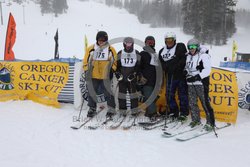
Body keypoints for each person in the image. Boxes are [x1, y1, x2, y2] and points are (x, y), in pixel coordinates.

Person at [83, 31, 117, 118]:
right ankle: (92, 108)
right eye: (99, 40)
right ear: (97, 40)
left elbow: (116, 62)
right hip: (93, 75)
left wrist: (112, 70)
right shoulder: (91, 49)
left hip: (105, 75)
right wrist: (87, 70)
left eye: (103, 40)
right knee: (91, 90)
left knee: (108, 92)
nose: (101, 42)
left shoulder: (110, 49)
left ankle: (111, 108)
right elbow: (85, 61)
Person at [184, 38, 215, 131]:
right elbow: (186, 67)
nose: (191, 49)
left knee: (205, 102)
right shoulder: (188, 56)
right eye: (189, 47)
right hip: (190, 83)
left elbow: (207, 70)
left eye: (193, 47)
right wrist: (185, 72)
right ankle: (196, 120)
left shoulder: (204, 56)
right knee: (192, 102)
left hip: (201, 83)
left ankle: (210, 123)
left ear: (197, 47)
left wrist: (197, 77)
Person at [159, 32, 189, 121]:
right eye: (167, 40)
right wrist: (166, 67)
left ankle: (184, 113)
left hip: (180, 76)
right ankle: (174, 111)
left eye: (171, 40)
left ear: (174, 40)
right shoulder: (162, 51)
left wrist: (177, 66)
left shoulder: (180, 46)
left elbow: (183, 58)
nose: (169, 42)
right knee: (168, 95)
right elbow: (161, 63)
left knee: (182, 95)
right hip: (170, 76)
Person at [115, 37, 141, 116]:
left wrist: (135, 73)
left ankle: (134, 111)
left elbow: (139, 65)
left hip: (131, 78)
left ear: (132, 44)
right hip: (122, 77)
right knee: (122, 94)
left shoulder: (136, 53)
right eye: (127, 44)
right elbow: (117, 65)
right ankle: (123, 111)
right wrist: (117, 73)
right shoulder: (120, 52)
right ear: (124, 44)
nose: (128, 45)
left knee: (133, 94)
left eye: (130, 44)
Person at [139, 36, 159, 119]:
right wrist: (140, 76)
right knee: (148, 96)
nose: (150, 43)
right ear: (145, 43)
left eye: (152, 42)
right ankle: (152, 113)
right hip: (146, 80)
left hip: (155, 80)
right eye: (148, 42)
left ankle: (149, 112)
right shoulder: (142, 54)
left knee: (153, 97)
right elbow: (138, 67)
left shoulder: (155, 54)